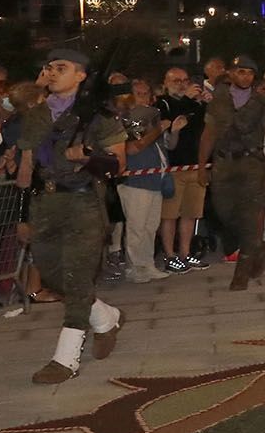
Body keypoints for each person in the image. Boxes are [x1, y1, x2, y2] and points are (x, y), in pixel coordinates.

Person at [15, 49, 128, 383]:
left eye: (60, 68)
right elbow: (26, 170)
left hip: (83, 204)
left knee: (78, 278)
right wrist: (23, 215)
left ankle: (65, 358)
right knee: (53, 276)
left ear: (80, 75)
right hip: (44, 205)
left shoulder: (99, 116)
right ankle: (105, 317)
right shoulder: (36, 116)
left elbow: (118, 165)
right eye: (48, 67)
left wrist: (89, 156)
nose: (51, 73)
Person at [200, 55, 265, 291]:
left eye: (250, 73)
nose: (245, 76)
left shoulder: (263, 102)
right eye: (241, 72)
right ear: (232, 74)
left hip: (251, 163)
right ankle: (257, 248)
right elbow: (208, 133)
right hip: (223, 162)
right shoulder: (219, 100)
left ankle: (242, 273)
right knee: (223, 212)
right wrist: (202, 165)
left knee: (248, 216)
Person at [113, 78, 169, 283]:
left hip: (154, 178)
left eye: (147, 93)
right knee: (137, 225)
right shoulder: (122, 120)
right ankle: (135, 267)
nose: (144, 98)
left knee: (150, 224)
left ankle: (147, 264)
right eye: (139, 93)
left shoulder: (150, 117)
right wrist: (156, 130)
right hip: (135, 179)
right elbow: (133, 148)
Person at [157, 65, 209, 272]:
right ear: (166, 84)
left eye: (184, 80)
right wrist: (187, 100)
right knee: (169, 214)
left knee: (190, 213)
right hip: (173, 167)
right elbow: (173, 125)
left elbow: (201, 128)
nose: (181, 84)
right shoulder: (162, 104)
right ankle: (169, 255)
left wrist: (204, 104)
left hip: (195, 165)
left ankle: (185, 253)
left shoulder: (194, 104)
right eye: (176, 81)